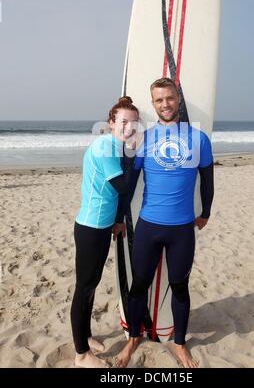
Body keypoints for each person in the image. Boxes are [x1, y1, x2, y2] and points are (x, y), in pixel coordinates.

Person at [116, 78, 214, 369]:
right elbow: (131, 183)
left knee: (180, 285)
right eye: (159, 100)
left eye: (170, 98)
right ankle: (133, 337)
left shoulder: (199, 139)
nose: (165, 104)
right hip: (148, 226)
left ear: (178, 100)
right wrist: (120, 217)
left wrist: (205, 212)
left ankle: (180, 343)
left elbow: (207, 180)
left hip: (182, 228)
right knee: (139, 285)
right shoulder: (144, 139)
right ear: (153, 104)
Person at [71, 96, 139, 369]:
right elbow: (123, 186)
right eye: (123, 121)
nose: (128, 127)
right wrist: (139, 155)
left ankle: (85, 336)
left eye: (134, 123)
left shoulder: (115, 146)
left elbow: (116, 193)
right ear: (112, 123)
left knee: (92, 285)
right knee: (83, 288)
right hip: (90, 226)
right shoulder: (107, 146)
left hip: (102, 224)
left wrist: (118, 219)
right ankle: (80, 354)